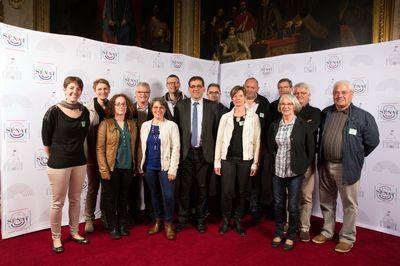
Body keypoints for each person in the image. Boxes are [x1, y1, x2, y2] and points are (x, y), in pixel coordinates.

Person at [312, 80, 379, 253]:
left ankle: (347, 238)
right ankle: (327, 231)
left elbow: (373, 141)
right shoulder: (326, 112)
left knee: (350, 205)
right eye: (336, 92)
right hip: (325, 164)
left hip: (346, 167)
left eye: (344, 92)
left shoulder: (363, 116)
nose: (339, 95)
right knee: (327, 201)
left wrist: (355, 156)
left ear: (351, 94)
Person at [42, 76, 90, 253]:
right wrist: (58, 156)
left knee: (76, 199)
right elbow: (46, 141)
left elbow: (83, 137)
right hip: (59, 164)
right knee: (57, 203)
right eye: (71, 88)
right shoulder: (53, 111)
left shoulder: (84, 111)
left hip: (79, 162)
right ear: (64, 89)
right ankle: (56, 238)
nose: (74, 92)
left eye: (78, 89)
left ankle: (75, 232)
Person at [268, 94, 314, 250]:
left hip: (295, 172)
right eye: (283, 104)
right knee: (279, 204)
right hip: (278, 171)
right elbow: (270, 147)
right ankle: (279, 232)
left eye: (289, 103)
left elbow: (310, 148)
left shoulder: (303, 125)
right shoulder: (275, 125)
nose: (286, 106)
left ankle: (292, 235)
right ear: (280, 107)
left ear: (294, 106)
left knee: (293, 206)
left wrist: (303, 166)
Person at [174, 76, 218, 233]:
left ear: (204, 88)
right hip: (186, 153)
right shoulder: (180, 105)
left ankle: (200, 219)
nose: (196, 89)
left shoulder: (212, 106)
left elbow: (215, 131)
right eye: (192, 86)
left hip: (204, 154)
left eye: (199, 86)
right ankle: (183, 219)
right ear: (188, 88)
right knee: (184, 189)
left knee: (202, 188)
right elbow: (177, 130)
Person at [215, 86, 261, 236]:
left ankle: (238, 220)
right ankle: (226, 220)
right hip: (227, 160)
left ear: (244, 97)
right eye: (234, 96)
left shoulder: (253, 117)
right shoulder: (225, 117)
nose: (237, 99)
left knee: (242, 192)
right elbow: (219, 140)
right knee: (227, 192)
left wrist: (255, 163)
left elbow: (257, 141)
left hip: (245, 161)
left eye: (240, 96)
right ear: (232, 98)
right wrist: (217, 162)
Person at [97, 93, 140, 240]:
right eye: (117, 104)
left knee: (123, 198)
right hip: (111, 168)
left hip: (128, 167)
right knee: (111, 198)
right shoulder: (106, 124)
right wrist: (104, 170)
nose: (121, 106)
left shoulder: (132, 124)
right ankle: (112, 226)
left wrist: (137, 165)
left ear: (127, 106)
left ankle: (122, 224)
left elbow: (137, 147)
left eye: (123, 104)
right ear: (113, 107)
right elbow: (99, 149)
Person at [230, 77, 271, 222]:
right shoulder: (236, 101)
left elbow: (268, 126)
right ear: (243, 87)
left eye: (253, 87)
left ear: (257, 89)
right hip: (238, 148)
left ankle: (254, 207)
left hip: (258, 148)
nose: (250, 89)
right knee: (239, 179)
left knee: (256, 178)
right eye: (247, 86)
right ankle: (240, 207)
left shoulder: (265, 103)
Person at [139, 98, 180, 240]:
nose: (158, 110)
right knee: (154, 195)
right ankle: (158, 221)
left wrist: (173, 169)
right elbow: (142, 148)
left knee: (168, 196)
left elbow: (176, 149)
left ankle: (168, 222)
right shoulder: (145, 125)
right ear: (151, 110)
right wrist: (141, 165)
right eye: (155, 107)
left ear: (165, 109)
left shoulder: (171, 126)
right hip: (150, 167)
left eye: (161, 107)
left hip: (165, 167)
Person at [293, 82, 321, 242]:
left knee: (306, 196)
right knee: (290, 195)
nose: (299, 96)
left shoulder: (315, 112)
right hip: (290, 160)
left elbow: (310, 131)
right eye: (296, 93)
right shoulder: (287, 109)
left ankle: (304, 228)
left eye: (303, 93)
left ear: (308, 95)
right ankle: (290, 224)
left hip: (307, 161)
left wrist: (295, 129)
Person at [84, 78, 110, 233]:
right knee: (93, 188)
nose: (103, 91)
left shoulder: (112, 107)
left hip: (108, 156)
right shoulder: (87, 109)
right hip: (92, 156)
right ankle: (89, 219)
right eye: (100, 89)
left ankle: (106, 217)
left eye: (105, 88)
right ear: (95, 90)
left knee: (107, 188)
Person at [130, 82, 153, 222]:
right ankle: (133, 214)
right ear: (136, 93)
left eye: (146, 92)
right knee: (133, 185)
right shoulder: (128, 109)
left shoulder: (156, 108)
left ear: (149, 93)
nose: (143, 95)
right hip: (132, 152)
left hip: (150, 153)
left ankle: (151, 213)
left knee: (150, 184)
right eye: (140, 92)